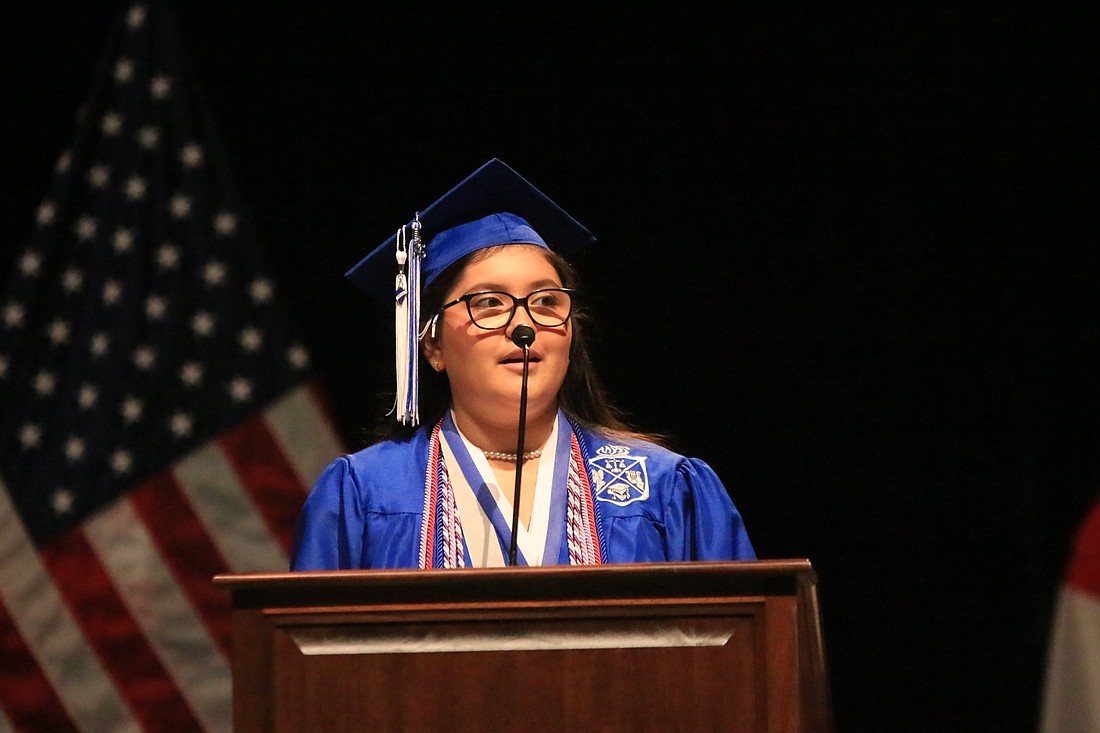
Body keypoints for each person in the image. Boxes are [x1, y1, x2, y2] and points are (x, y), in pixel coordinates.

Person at [290, 159, 755, 569]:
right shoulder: (367, 493)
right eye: (489, 303)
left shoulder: (665, 488)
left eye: (547, 301)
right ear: (431, 345)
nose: (523, 325)